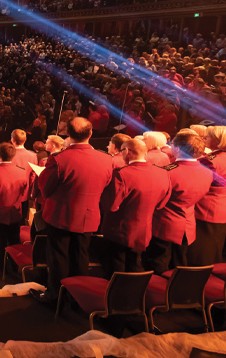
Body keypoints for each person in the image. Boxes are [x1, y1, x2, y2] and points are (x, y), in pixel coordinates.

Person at [32, 117, 113, 303]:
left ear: (68, 134)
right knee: (81, 256)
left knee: (59, 258)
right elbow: (106, 185)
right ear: (91, 134)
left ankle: (56, 297)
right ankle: (79, 297)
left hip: (61, 217)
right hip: (89, 217)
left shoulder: (60, 159)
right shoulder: (106, 159)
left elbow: (45, 188)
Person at [99, 139, 171, 277]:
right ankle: (136, 295)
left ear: (126, 151)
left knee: (116, 269)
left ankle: (116, 297)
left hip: (119, 231)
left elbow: (111, 205)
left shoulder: (122, 174)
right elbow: (162, 203)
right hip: (145, 229)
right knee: (135, 266)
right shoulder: (163, 173)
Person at [144, 133, 213, 274]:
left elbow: (156, 199)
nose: (171, 147)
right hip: (188, 224)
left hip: (164, 223)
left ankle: (158, 293)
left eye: (173, 145)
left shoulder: (168, 172)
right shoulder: (207, 172)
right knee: (180, 263)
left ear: (179, 148)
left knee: (159, 262)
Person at [0, 142, 29, 269]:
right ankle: (14, 265)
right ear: (13, 156)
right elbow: (24, 193)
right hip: (15, 213)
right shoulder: (22, 172)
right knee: (14, 240)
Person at [189, 126, 226, 265]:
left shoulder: (210, 160)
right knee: (215, 247)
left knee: (201, 251)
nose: (205, 139)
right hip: (221, 208)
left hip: (206, 208)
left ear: (218, 141)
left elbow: (197, 184)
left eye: (208, 137)